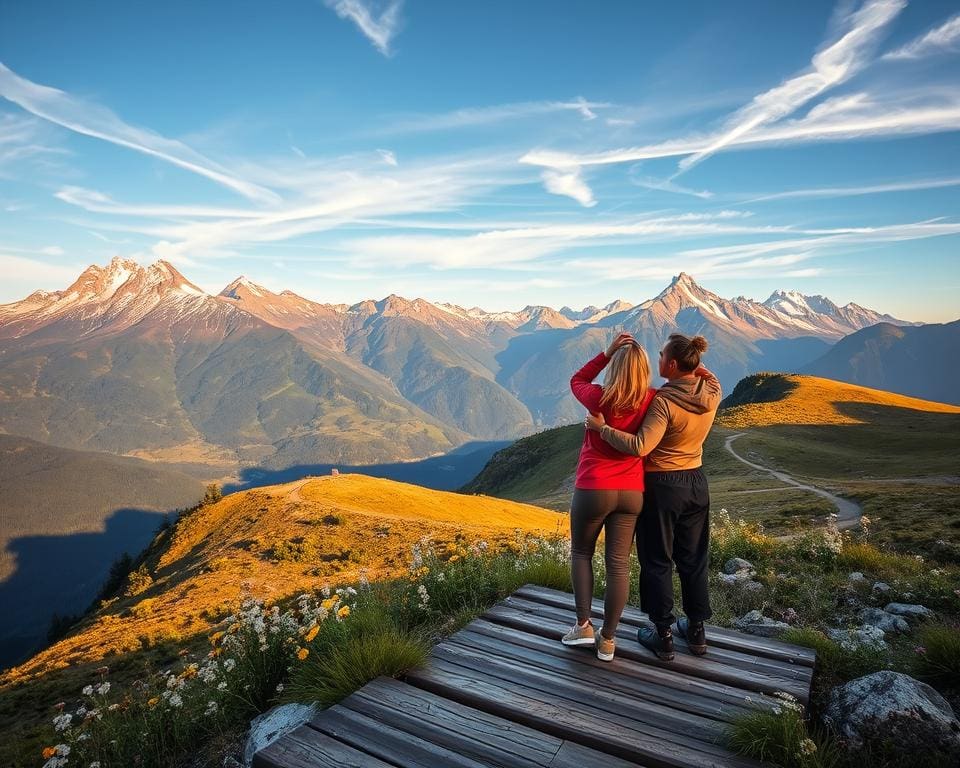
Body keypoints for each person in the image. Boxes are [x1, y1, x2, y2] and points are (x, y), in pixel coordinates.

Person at [586, 333, 720, 661]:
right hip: (697, 482)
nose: (656, 361)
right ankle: (697, 631)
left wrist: (601, 429)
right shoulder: (712, 392)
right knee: (693, 558)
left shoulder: (663, 402)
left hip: (663, 485)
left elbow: (640, 446)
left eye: (661, 356)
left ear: (672, 364)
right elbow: (706, 373)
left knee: (658, 559)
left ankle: (662, 634)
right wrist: (694, 367)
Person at [562, 332, 657, 662]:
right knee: (619, 565)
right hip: (632, 492)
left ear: (615, 368)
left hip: (593, 487)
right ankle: (609, 640)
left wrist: (606, 352)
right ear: (644, 370)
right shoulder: (652, 400)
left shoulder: (598, 397)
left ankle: (583, 626)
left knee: (581, 553)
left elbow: (577, 379)